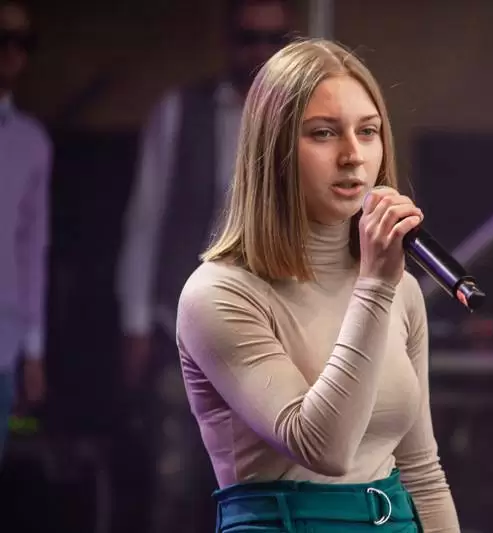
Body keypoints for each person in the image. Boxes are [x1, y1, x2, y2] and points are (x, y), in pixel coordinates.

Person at [175, 38, 461, 533]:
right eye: (324, 133)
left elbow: (422, 474)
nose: (353, 155)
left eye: (368, 131)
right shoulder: (218, 294)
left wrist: (380, 283)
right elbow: (322, 447)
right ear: (274, 149)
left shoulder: (401, 290)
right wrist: (375, 286)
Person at [114, 1, 295, 531]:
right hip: (181, 323)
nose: (260, 52)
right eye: (249, 38)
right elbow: (145, 218)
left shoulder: (298, 120)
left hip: (267, 330)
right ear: (229, 40)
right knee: (175, 478)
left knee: (253, 484)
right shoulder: (180, 111)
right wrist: (134, 323)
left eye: (273, 40)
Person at [0, 0, 49, 460]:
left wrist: (33, 351)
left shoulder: (32, 143)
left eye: (22, 41)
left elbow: (32, 251)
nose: (11, 51)